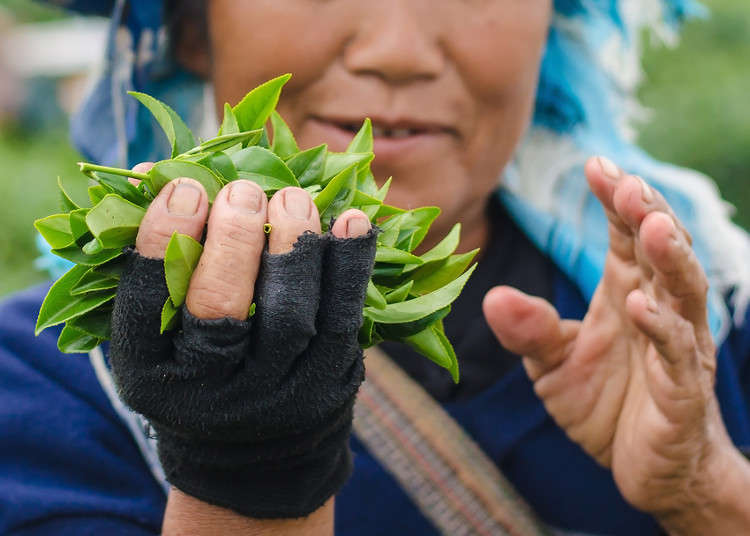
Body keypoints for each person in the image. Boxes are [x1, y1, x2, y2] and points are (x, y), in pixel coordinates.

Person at [1, 0, 749, 534]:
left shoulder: (701, 323)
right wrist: (243, 491)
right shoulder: (45, 393)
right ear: (190, 26)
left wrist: (705, 492)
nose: (396, 49)